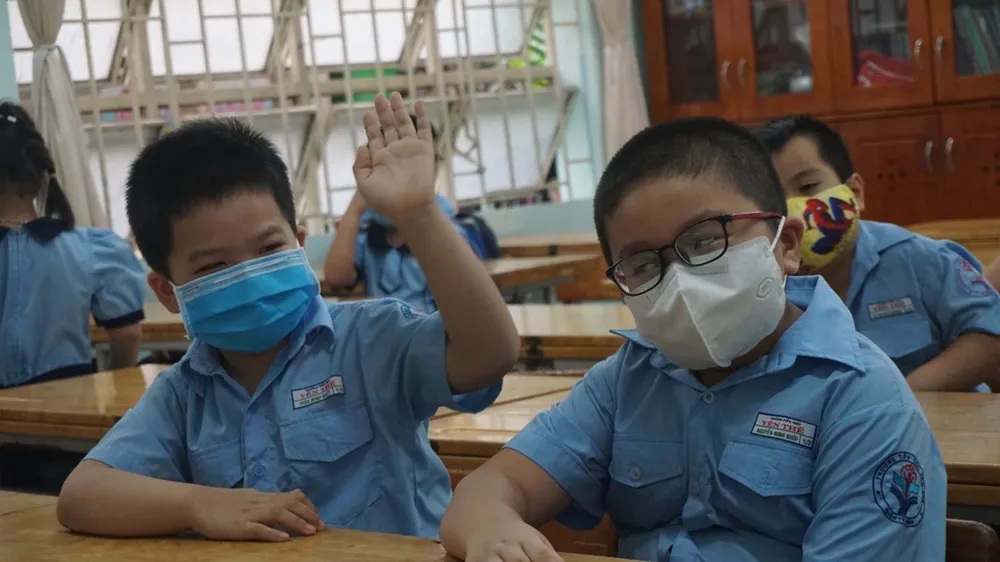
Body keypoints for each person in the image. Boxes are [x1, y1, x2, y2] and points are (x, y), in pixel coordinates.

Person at [440, 118, 945, 562]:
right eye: (642, 264)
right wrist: (493, 527)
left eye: (706, 240)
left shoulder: (862, 399)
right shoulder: (626, 381)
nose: (679, 279)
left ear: (786, 245)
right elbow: (489, 489)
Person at [57, 93, 520, 542]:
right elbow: (81, 496)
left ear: (299, 244)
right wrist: (200, 504)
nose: (249, 276)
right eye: (214, 267)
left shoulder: (369, 340)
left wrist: (418, 214)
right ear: (167, 291)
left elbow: (490, 355)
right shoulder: (183, 396)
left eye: (268, 249)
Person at [755, 115, 1000, 392]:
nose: (794, 210)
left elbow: (991, 334)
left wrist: (903, 397)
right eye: (777, 200)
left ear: (855, 191)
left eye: (808, 187)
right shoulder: (762, 284)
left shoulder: (916, 258)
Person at [0, 101, 144, 387]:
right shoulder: (90, 248)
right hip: (68, 395)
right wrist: (114, 384)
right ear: (42, 178)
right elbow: (128, 334)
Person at [323, 114, 483, 312]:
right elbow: (337, 277)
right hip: (387, 328)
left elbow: (469, 287)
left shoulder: (448, 223)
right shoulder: (371, 225)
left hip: (437, 326)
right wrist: (356, 206)